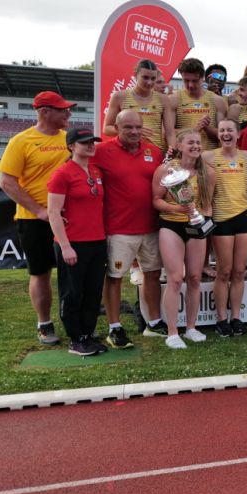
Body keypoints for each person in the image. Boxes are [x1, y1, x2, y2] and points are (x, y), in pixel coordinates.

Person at [0, 91, 73, 345]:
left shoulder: (69, 139)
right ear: (44, 112)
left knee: (72, 272)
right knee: (40, 272)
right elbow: (7, 182)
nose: (68, 113)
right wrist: (40, 210)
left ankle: (75, 322)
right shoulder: (21, 141)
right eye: (62, 109)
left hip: (68, 219)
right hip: (34, 219)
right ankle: (44, 323)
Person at [93, 109, 167, 349]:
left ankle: (153, 322)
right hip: (119, 229)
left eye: (138, 127)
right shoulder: (102, 151)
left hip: (151, 227)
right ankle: (115, 327)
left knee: (153, 274)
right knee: (115, 277)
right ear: (116, 126)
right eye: (128, 127)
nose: (134, 132)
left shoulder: (154, 152)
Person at [46, 128, 108, 356]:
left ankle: (87, 334)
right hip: (73, 242)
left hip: (97, 241)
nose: (91, 146)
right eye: (84, 142)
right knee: (72, 293)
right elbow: (53, 213)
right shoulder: (62, 174)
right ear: (71, 146)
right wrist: (65, 246)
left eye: (92, 142)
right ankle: (75, 338)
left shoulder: (96, 171)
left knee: (93, 292)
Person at [152, 129, 215, 349]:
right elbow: (156, 201)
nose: (196, 146)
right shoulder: (165, 170)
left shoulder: (207, 172)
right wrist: (176, 208)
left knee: (195, 278)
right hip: (170, 224)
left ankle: (191, 327)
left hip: (194, 227)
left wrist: (204, 223)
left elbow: (207, 204)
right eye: (190, 142)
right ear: (179, 145)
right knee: (176, 278)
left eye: (198, 143)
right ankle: (172, 332)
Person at [202, 119, 247, 337]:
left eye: (229, 130)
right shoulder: (208, 157)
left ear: (238, 134)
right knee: (224, 271)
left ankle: (236, 317)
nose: (225, 134)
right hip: (221, 218)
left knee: (239, 271)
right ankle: (221, 319)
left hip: (243, 217)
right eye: (222, 130)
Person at [103, 59, 176, 153]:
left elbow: (170, 133)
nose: (149, 82)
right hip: (126, 152)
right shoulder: (119, 97)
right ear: (135, 75)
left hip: (154, 153)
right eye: (145, 77)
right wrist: (132, 132)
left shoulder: (163, 99)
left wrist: (173, 155)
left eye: (153, 78)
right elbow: (107, 129)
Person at [174, 57, 227, 150]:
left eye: (194, 81)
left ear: (203, 78)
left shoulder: (217, 100)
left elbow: (224, 136)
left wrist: (207, 127)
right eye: (186, 80)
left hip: (209, 159)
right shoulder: (174, 99)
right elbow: (168, 133)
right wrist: (194, 129)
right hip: (184, 158)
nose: (190, 85)